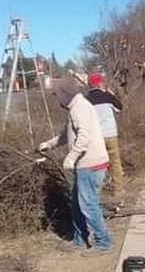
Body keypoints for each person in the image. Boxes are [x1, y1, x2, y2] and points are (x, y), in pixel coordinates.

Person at [39, 78, 113, 254]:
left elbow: (84, 137)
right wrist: (49, 144)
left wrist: (71, 157)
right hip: (85, 164)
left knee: (88, 204)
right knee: (78, 203)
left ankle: (104, 242)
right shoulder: (75, 108)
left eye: (57, 95)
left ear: (65, 94)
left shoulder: (81, 108)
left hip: (91, 163)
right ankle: (80, 239)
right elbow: (67, 135)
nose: (57, 100)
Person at [85, 73, 125, 204]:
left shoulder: (86, 100)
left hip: (96, 137)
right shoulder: (108, 96)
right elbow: (120, 107)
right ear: (101, 83)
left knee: (98, 165)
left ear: (90, 85)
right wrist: (111, 94)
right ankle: (118, 191)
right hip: (111, 134)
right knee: (115, 163)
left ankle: (97, 192)